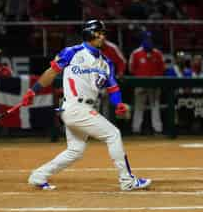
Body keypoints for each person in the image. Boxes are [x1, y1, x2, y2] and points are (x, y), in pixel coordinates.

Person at [21, 20, 151, 191]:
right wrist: (33, 91)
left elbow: (113, 88)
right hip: (75, 107)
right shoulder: (72, 52)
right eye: (99, 32)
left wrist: (118, 103)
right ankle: (127, 180)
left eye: (103, 33)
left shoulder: (106, 62)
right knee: (113, 134)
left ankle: (38, 176)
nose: (102, 36)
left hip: (85, 108)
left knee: (75, 151)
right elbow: (51, 73)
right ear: (90, 33)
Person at [129, 30, 165, 135]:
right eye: (146, 39)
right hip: (140, 84)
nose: (148, 41)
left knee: (155, 106)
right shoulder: (136, 53)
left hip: (154, 85)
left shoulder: (157, 53)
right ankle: (136, 129)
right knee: (139, 107)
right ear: (142, 40)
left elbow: (162, 69)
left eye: (149, 39)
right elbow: (131, 69)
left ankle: (157, 129)